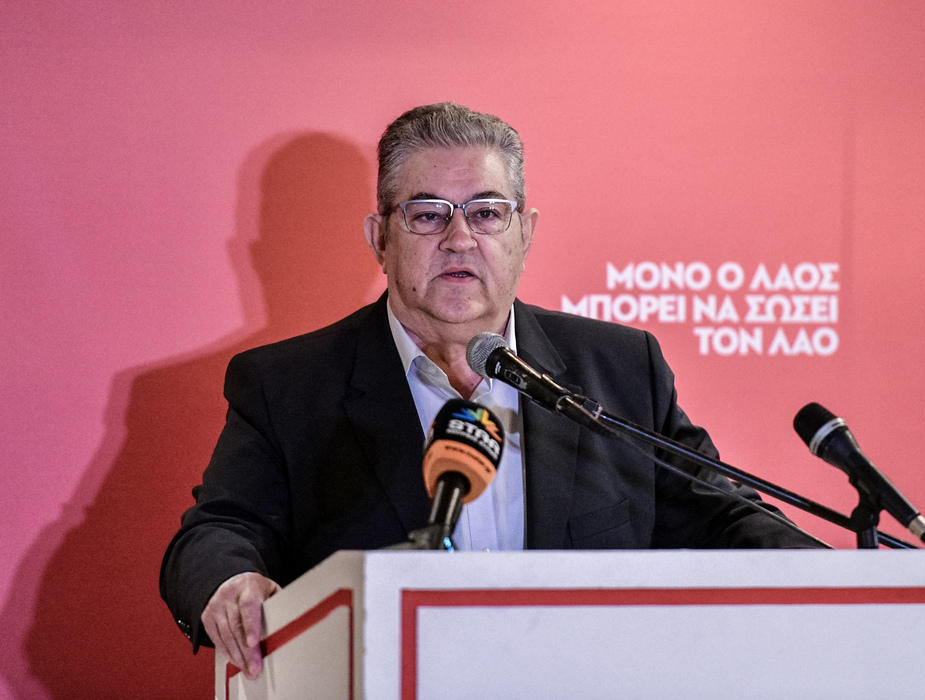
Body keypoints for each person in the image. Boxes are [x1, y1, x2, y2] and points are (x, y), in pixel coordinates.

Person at [160, 102, 820, 680]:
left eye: (486, 213)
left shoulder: (619, 368)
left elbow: (723, 515)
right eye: (427, 216)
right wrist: (230, 581)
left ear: (525, 234)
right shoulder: (289, 385)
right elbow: (217, 532)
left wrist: (843, 582)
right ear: (379, 238)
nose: (459, 239)